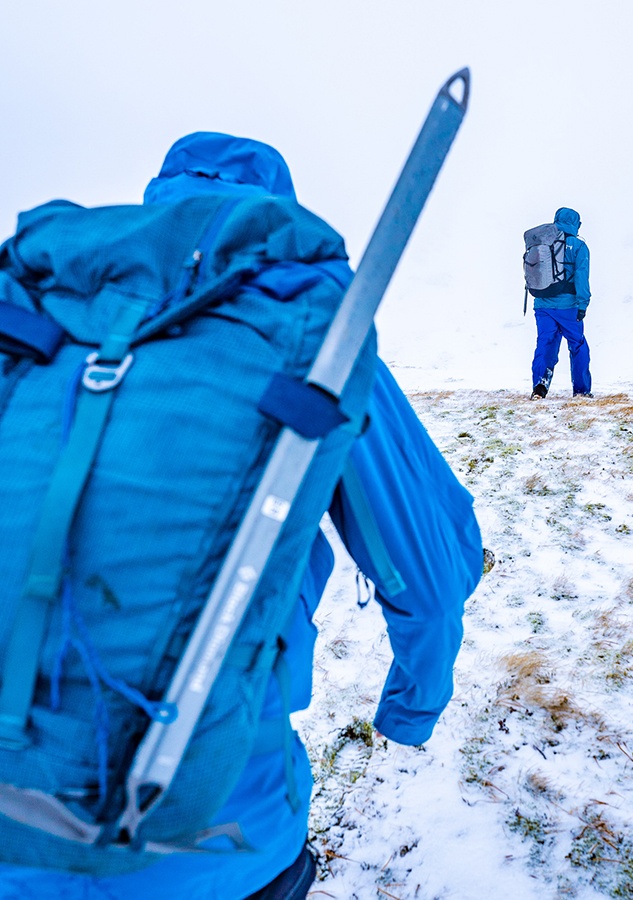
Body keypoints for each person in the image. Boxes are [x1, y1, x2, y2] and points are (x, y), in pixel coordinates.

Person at [0, 133, 483, 898]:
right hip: (217, 841)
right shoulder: (308, 335)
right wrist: (409, 713)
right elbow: (430, 568)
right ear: (272, 208)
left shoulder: (33, 317)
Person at [528, 207, 592, 399]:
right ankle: (581, 391)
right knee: (578, 345)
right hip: (568, 306)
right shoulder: (579, 246)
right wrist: (583, 304)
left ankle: (539, 386)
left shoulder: (542, 243)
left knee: (545, 344)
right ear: (576, 224)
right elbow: (581, 276)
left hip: (542, 305)